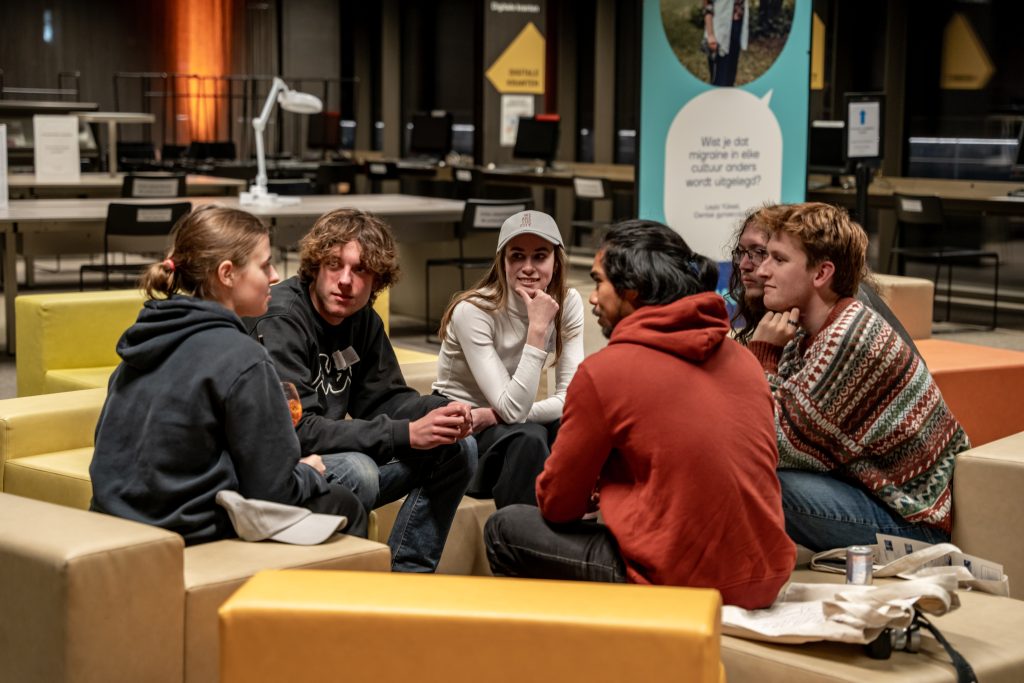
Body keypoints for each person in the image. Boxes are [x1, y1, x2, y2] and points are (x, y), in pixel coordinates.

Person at [485, 220, 795, 609]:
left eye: (599, 283)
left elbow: (558, 504)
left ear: (630, 289)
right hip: (764, 577)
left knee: (506, 526)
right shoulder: (743, 360)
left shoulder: (606, 372)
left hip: (684, 583)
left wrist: (603, 484)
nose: (594, 298)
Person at [91, 205, 366, 545]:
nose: (276, 275)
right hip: (188, 530)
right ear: (227, 274)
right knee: (347, 502)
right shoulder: (243, 357)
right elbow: (273, 492)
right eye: (265, 264)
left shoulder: (145, 336)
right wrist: (309, 473)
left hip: (114, 521)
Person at [247, 208, 475, 572]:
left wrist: (439, 412)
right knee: (359, 470)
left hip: (328, 453)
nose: (345, 281)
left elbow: (385, 399)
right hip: (290, 465)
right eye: (335, 264)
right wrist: (407, 433)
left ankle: (408, 576)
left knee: (459, 447)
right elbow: (300, 430)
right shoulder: (282, 319)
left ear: (377, 281)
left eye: (361, 270)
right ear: (315, 266)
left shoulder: (363, 320)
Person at [749, 202, 969, 551]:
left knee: (753, 480)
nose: (761, 271)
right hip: (866, 494)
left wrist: (762, 355)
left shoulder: (848, 337)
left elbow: (769, 444)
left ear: (821, 273)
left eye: (778, 259)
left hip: (913, 524)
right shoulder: (809, 329)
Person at [432, 210, 584, 508]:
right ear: (502, 261)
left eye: (540, 256)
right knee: (529, 437)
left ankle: (573, 525)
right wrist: (537, 329)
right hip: (464, 427)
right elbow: (513, 411)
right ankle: (520, 541)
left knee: (575, 424)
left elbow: (573, 399)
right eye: (517, 256)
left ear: (556, 260)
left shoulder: (568, 303)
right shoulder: (474, 311)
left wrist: (495, 415)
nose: (527, 267)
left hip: (500, 416)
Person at [729, 203, 920, 355]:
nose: (745, 265)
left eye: (760, 252)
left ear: (821, 273)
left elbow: (775, 403)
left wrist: (764, 353)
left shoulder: (845, 334)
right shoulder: (802, 322)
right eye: (742, 252)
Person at [704, 0, 749, 87]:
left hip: (736, 27)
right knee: (719, 80)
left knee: (730, 78)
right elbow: (707, 5)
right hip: (719, 31)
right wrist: (710, 34)